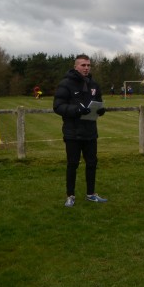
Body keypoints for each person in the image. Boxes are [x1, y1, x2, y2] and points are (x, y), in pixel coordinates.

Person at [53, 54, 107, 207]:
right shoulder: (65, 84)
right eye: (83, 65)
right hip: (73, 132)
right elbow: (58, 106)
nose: (86, 68)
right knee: (72, 164)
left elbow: (98, 102)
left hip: (90, 132)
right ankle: (70, 196)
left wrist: (101, 110)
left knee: (92, 163)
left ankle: (91, 194)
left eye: (88, 65)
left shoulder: (94, 84)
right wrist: (76, 110)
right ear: (76, 66)